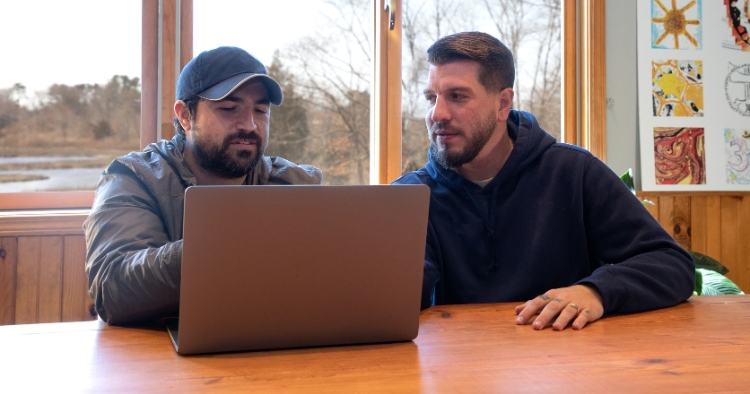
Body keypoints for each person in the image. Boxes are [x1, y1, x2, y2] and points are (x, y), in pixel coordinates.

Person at [393, 32, 694, 331]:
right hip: (453, 368)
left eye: (457, 96)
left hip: (562, 364)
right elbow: (394, 291)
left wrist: (595, 291)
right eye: (431, 98)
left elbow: (672, 265)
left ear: (503, 104)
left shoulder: (574, 173)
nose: (437, 114)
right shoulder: (409, 197)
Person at [84, 46, 322, 325]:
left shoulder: (291, 184)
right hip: (161, 358)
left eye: (260, 110)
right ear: (185, 115)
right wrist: (227, 247)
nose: (250, 124)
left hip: (273, 347)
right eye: (229, 108)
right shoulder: (133, 178)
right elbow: (112, 289)